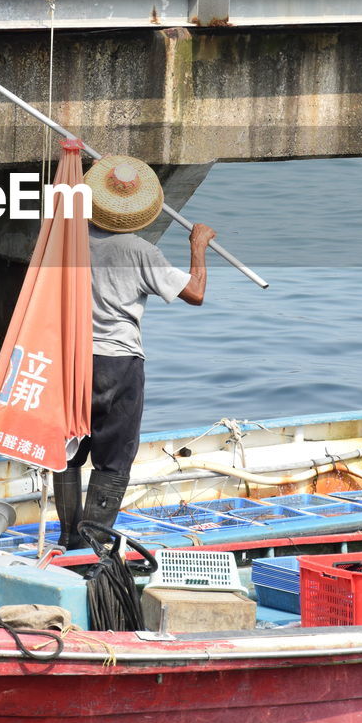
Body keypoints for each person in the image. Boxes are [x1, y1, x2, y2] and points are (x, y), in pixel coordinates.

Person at [52, 155, 216, 548]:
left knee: (68, 454)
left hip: (72, 359)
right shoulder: (139, 250)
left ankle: (68, 538)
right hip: (119, 362)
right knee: (113, 460)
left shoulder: (67, 240)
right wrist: (197, 246)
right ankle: (90, 546)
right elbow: (194, 293)